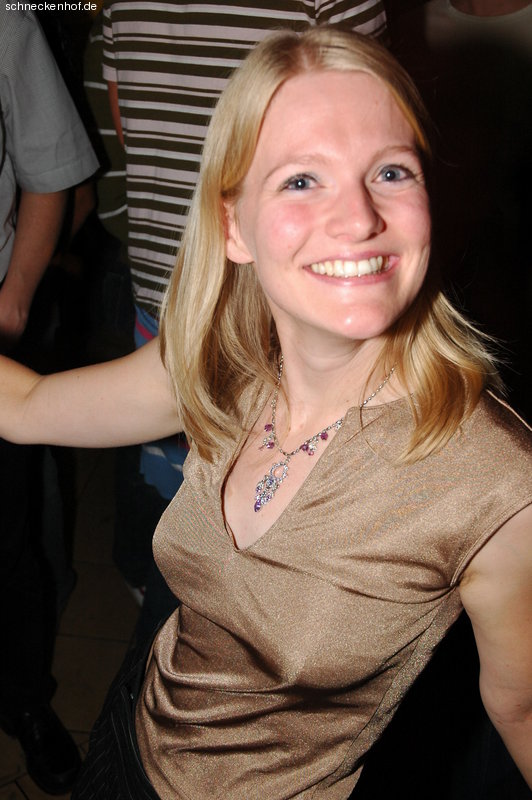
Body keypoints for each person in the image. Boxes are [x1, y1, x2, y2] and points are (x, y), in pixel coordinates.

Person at [2, 26, 531, 800]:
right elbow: (26, 406)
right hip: (126, 740)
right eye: (301, 180)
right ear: (233, 227)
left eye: (390, 171)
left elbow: (522, 711)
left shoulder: (495, 483)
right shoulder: (220, 365)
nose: (358, 218)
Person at [0, 6, 98, 795]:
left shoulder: (7, 19)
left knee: (6, 541)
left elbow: (53, 171)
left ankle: (25, 700)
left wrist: (14, 300)